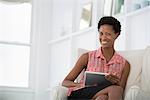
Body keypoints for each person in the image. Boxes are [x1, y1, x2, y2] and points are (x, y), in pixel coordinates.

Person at [62, 16, 130, 100]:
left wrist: (115, 82)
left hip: (102, 95)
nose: (103, 38)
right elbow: (65, 82)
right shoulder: (87, 57)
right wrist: (81, 85)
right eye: (101, 33)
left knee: (103, 97)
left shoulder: (124, 64)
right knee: (116, 89)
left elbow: (121, 88)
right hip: (81, 94)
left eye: (108, 34)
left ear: (116, 35)